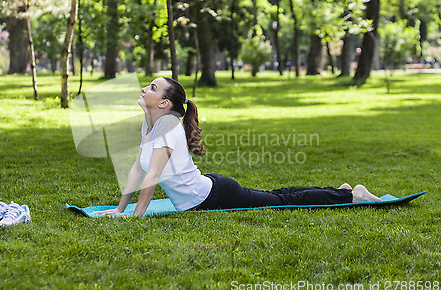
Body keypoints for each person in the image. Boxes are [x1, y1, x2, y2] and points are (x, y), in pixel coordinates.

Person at [93, 77, 382, 216]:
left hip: (213, 196)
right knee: (275, 196)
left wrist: (135, 217)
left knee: (281, 202)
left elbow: (152, 177)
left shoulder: (167, 127)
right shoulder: (150, 125)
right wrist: (120, 209)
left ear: (165, 104)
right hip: (212, 188)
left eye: (152, 88)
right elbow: (137, 169)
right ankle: (341, 191)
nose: (144, 89)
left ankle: (350, 197)